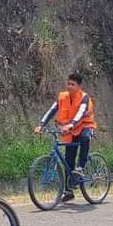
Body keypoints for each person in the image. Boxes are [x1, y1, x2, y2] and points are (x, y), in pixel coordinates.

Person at [34, 72, 96, 200]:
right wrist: (41, 124)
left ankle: (81, 167)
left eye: (72, 84)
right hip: (70, 130)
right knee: (68, 159)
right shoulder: (62, 97)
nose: (69, 86)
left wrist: (71, 124)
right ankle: (69, 191)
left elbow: (81, 112)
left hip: (84, 126)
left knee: (85, 138)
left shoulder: (84, 97)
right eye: (68, 83)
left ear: (79, 87)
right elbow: (51, 110)